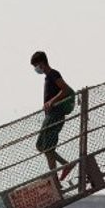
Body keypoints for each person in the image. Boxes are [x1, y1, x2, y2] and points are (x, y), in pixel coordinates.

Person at [31, 51, 76, 180]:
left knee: (48, 148)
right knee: (41, 146)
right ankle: (65, 165)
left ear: (41, 63)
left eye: (36, 66)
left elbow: (66, 89)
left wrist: (52, 101)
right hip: (49, 116)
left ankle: (56, 179)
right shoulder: (47, 77)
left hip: (56, 115)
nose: (36, 69)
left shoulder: (53, 74)